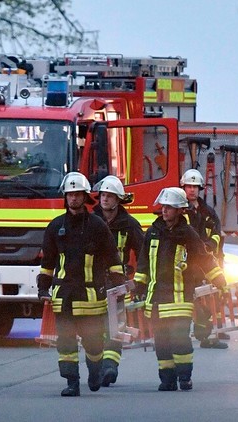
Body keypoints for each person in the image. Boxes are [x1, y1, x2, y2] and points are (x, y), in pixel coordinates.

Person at [37, 172, 125, 397]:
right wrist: (43, 288)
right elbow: (48, 262)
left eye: (77, 194)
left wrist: (119, 287)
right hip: (64, 297)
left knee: (94, 343)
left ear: (85, 197)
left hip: (90, 297)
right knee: (66, 343)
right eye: (70, 194)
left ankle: (94, 371)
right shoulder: (56, 226)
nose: (73, 198)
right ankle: (72, 382)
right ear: (65, 197)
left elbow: (113, 258)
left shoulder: (98, 226)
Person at [133, 187, 227, 392]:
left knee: (180, 339)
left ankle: (184, 376)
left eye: (169, 207)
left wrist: (220, 281)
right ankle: (167, 379)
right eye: (163, 207)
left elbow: (204, 258)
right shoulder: (153, 232)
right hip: (157, 298)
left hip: (181, 297)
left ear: (179, 210)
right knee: (162, 342)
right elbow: (143, 262)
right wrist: (139, 285)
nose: (164, 210)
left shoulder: (188, 234)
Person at [91, 175, 144, 387]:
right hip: (91, 282)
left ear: (118, 199)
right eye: (103, 195)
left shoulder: (129, 224)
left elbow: (143, 254)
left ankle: (110, 366)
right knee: (94, 327)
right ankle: (97, 367)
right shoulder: (90, 221)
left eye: (110, 196)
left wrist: (140, 281)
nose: (104, 199)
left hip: (117, 283)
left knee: (115, 326)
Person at [181, 168, 227, 349]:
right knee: (188, 301)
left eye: (195, 187)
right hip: (186, 265)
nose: (192, 190)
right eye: (188, 186)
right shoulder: (180, 209)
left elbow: (216, 234)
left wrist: (209, 247)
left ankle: (206, 336)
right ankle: (182, 336)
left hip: (205, 263)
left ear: (200, 189)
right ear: (183, 187)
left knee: (208, 300)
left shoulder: (208, 212)